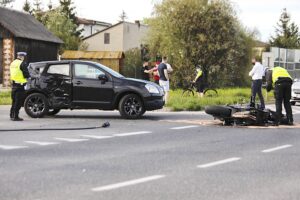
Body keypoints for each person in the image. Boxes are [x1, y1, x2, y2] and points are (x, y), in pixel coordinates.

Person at [9, 52, 30, 121]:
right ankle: (15, 117)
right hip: (20, 86)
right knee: (18, 102)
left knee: (14, 101)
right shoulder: (22, 63)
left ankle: (11, 115)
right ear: (22, 57)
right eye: (23, 57)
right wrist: (30, 77)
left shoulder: (13, 63)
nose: (24, 58)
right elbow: (26, 74)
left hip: (14, 85)